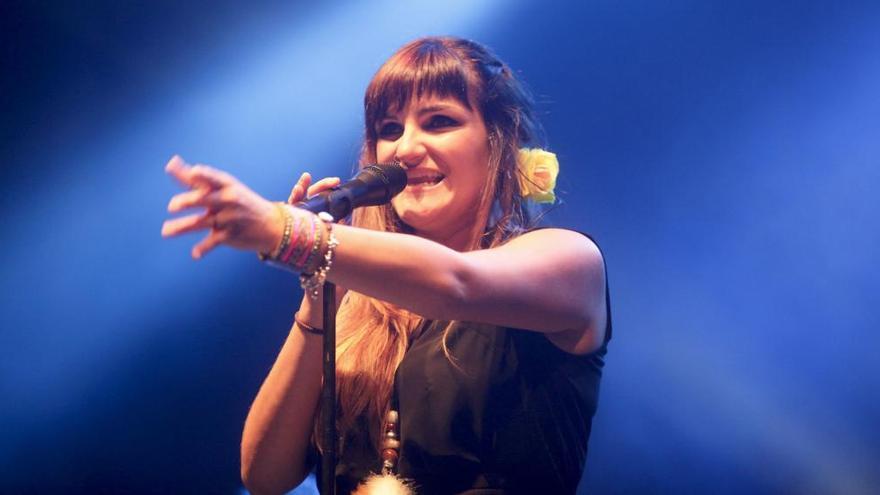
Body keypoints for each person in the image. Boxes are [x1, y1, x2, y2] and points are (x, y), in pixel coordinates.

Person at [162, 36, 610, 495]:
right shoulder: (360, 308)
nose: (405, 149)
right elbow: (264, 477)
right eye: (389, 129)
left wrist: (287, 232)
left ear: (499, 140)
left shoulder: (569, 262)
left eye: (439, 122)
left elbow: (458, 283)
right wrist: (321, 292)